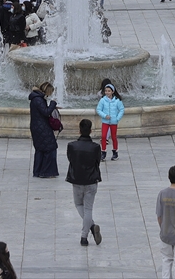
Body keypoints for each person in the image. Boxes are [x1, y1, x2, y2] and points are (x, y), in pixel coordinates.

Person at [66, 118, 103, 247]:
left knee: (78, 205)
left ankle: (89, 230)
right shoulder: (95, 147)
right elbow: (97, 162)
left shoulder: (72, 146)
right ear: (91, 131)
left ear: (79, 130)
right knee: (88, 208)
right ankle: (86, 234)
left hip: (77, 179)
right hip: (91, 180)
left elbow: (70, 159)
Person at [29, 82, 60, 178]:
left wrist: (52, 107)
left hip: (37, 127)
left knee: (40, 149)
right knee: (50, 147)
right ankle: (47, 172)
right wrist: (53, 103)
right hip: (41, 128)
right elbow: (46, 112)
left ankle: (38, 171)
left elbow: (42, 110)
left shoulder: (37, 98)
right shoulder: (38, 99)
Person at [96, 83, 124, 161]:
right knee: (104, 136)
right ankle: (103, 151)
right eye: (106, 91)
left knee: (114, 137)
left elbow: (121, 109)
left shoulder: (117, 100)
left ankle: (115, 152)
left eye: (109, 91)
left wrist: (117, 118)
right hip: (105, 121)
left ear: (112, 91)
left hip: (114, 122)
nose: (107, 92)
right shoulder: (102, 100)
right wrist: (104, 115)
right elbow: (98, 110)